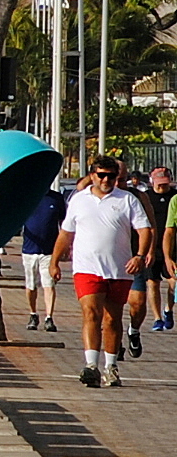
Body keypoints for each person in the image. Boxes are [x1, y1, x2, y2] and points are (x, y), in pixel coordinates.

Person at [54, 155, 156, 388]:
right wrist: (55, 261)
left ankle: (110, 366)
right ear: (92, 175)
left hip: (119, 269)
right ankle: (91, 366)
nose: (106, 180)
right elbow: (66, 233)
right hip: (86, 268)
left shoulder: (127, 200)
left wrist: (140, 256)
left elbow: (144, 229)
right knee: (91, 313)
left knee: (112, 319)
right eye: (101, 175)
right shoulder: (79, 200)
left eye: (111, 176)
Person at [17, 180, 70, 333]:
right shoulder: (28, 198)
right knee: (31, 285)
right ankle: (33, 314)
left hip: (49, 251)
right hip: (29, 249)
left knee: (49, 284)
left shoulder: (56, 198)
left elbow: (63, 224)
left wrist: (64, 246)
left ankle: (49, 317)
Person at [144, 167, 176, 333]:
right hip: (152, 246)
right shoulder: (147, 198)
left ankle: (168, 309)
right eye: (159, 184)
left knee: (173, 281)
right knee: (152, 283)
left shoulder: (174, 197)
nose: (163, 187)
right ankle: (157, 318)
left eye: (165, 184)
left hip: (172, 246)